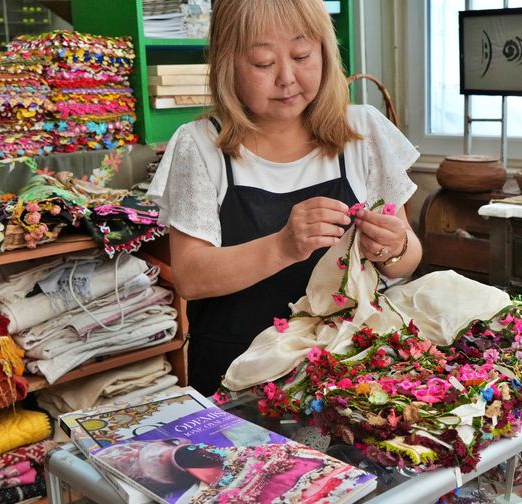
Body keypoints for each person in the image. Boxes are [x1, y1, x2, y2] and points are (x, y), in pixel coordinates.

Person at [149, 0, 422, 396]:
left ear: (325, 53)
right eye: (263, 63)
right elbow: (191, 277)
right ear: (228, 65)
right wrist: (283, 245)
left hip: (346, 373)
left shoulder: (362, 132)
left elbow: (407, 259)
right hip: (236, 377)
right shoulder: (200, 145)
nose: (287, 78)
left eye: (302, 55)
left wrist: (393, 247)